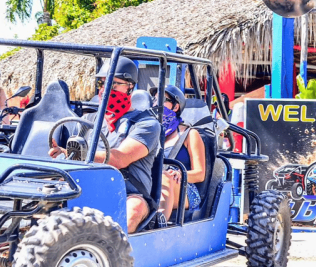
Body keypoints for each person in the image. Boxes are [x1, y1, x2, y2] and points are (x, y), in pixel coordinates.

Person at [48, 56, 161, 234]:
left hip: (128, 191)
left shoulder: (147, 124)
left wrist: (79, 153)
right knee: (45, 199)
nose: (106, 90)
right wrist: (64, 154)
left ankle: (108, 252)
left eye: (114, 84)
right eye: (103, 84)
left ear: (130, 87)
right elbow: (76, 157)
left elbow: (120, 159)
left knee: (134, 209)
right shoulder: (88, 120)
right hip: (87, 186)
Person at [158, 85, 206, 221]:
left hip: (185, 188)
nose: (156, 104)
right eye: (154, 100)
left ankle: (158, 226)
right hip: (156, 182)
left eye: (162, 99)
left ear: (175, 107)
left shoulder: (190, 134)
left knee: (165, 178)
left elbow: (200, 174)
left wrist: (180, 173)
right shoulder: (151, 132)